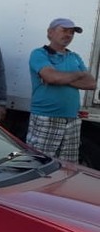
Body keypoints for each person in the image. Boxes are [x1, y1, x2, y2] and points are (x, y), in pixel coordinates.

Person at [27, 18, 97, 162]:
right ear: (50, 32)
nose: (68, 35)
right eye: (64, 30)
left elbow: (91, 83)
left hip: (72, 120)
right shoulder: (39, 54)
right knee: (40, 163)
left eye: (71, 32)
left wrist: (59, 78)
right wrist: (78, 74)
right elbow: (52, 77)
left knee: (67, 167)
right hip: (46, 117)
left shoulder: (74, 57)